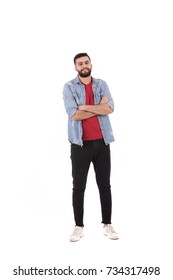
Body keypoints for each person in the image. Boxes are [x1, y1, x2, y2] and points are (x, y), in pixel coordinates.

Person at [63, 53, 118, 242]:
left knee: (105, 185)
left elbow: (110, 108)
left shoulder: (101, 84)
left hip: (102, 142)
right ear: (75, 67)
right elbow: (73, 115)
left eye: (86, 62)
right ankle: (78, 226)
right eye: (80, 64)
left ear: (91, 64)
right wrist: (96, 107)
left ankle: (107, 224)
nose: (84, 66)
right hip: (80, 144)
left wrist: (84, 107)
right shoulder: (69, 87)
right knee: (78, 187)